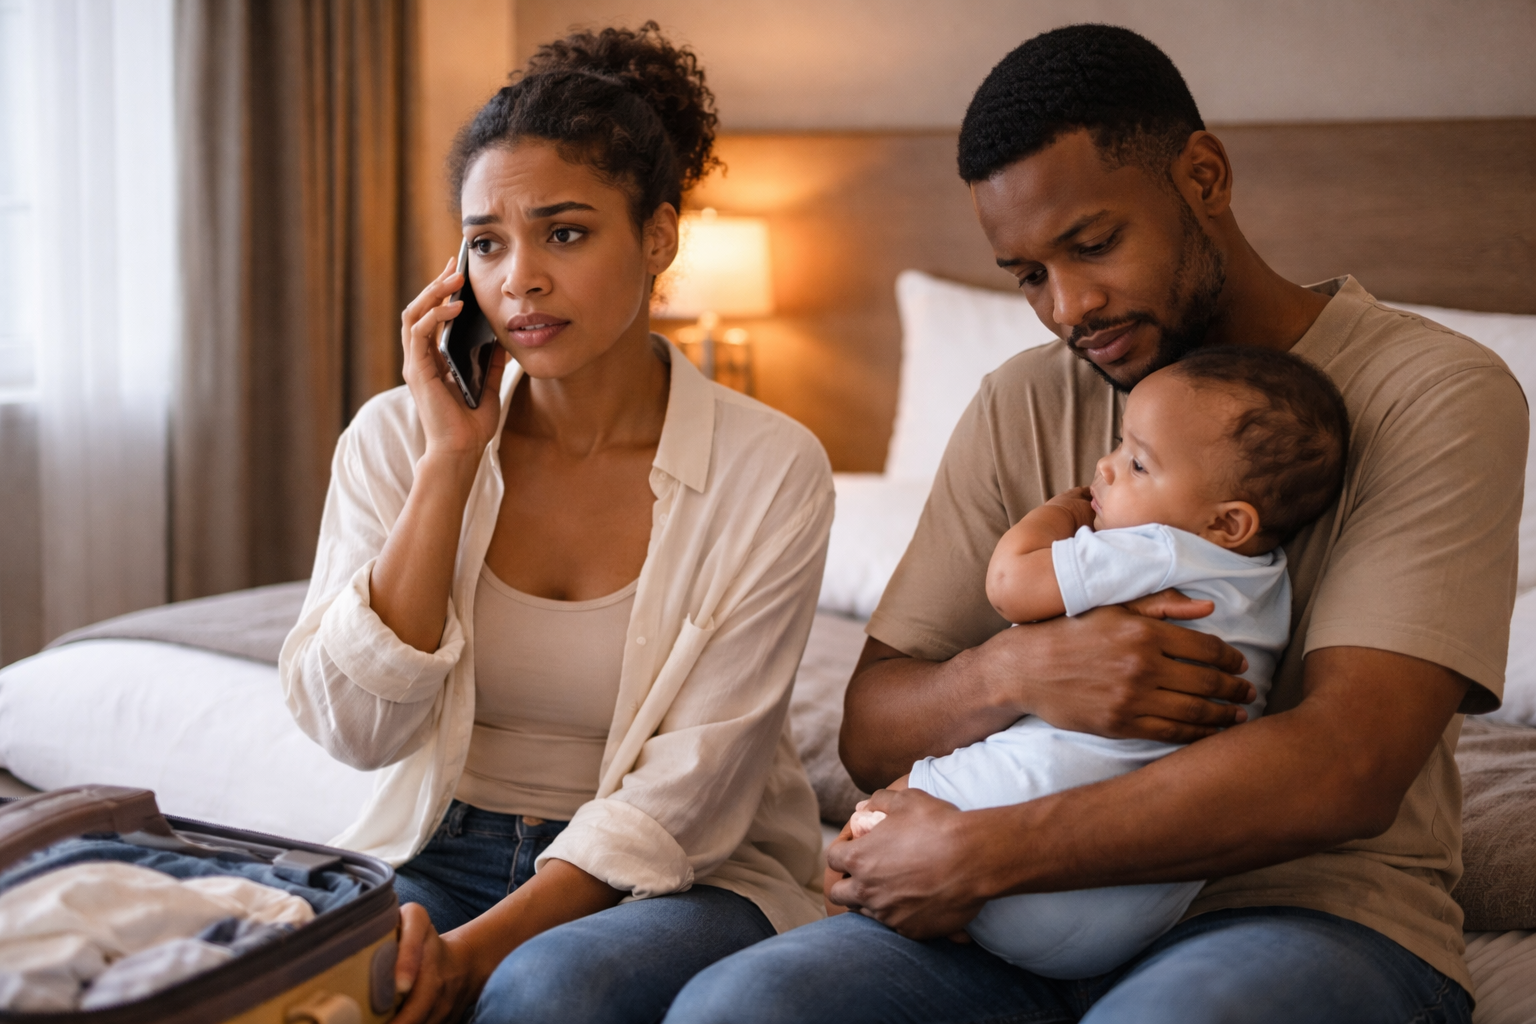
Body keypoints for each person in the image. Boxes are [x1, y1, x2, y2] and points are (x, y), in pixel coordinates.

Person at [666, 23, 1525, 1024]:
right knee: (739, 1007)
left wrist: (979, 850)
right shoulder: (1022, 401)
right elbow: (871, 726)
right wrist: (1015, 671)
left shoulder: (1433, 391)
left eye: (1092, 244)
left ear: (1203, 175)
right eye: (1028, 275)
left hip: (1308, 913)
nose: (1068, 306)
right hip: (995, 920)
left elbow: (1347, 765)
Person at [279, 23, 832, 1024]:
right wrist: (449, 462)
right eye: (486, 241)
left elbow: (694, 788)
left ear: (658, 237)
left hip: (678, 877)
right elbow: (356, 729)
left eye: (565, 233)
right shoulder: (396, 441)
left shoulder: (771, 466)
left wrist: (470, 951)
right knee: (314, 980)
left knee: (548, 988)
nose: (519, 277)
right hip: (436, 846)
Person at [831, 347, 1347, 980]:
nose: (1104, 468)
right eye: (1116, 445)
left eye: (1136, 463)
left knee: (863, 834)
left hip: (992, 847)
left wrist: (1063, 512)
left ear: (1227, 522)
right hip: (1116, 920)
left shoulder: (1156, 550)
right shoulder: (1265, 586)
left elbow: (1010, 584)